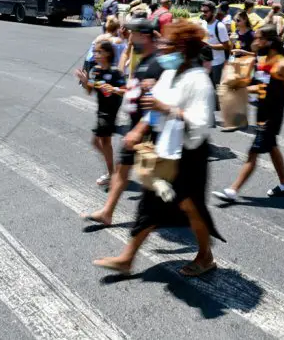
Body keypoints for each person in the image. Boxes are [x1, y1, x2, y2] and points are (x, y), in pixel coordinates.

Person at [93, 21, 224, 276]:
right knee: (150, 204)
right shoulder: (169, 74)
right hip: (165, 149)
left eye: (170, 45)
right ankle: (127, 259)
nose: (163, 49)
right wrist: (138, 131)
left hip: (189, 155)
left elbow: (199, 122)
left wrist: (166, 109)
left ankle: (205, 256)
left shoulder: (199, 80)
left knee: (191, 206)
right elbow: (154, 106)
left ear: (183, 49)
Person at [81, 18, 164, 226]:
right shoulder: (144, 60)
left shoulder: (155, 64)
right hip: (136, 128)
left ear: (144, 36)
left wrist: (139, 129)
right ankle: (108, 212)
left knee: (158, 179)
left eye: (132, 34)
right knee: (122, 169)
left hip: (148, 130)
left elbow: (159, 103)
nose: (128, 38)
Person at [213, 26, 284, 202]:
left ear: (269, 40)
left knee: (253, 152)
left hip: (272, 116)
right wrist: (240, 86)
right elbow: (260, 87)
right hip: (261, 113)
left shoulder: (283, 65)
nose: (256, 42)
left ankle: (233, 190)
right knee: (272, 148)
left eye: (259, 38)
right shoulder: (262, 61)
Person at [76, 40, 126, 187]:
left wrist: (114, 89)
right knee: (100, 143)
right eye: (95, 52)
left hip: (109, 112)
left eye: (99, 52)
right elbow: (90, 90)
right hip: (101, 111)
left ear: (108, 53)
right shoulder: (96, 71)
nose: (96, 55)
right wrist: (85, 81)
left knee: (103, 142)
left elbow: (125, 90)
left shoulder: (115, 72)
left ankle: (112, 174)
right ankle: (113, 171)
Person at [201, 0, 231, 97]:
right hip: (206, 62)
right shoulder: (203, 24)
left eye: (206, 11)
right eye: (202, 11)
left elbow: (226, 46)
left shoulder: (220, 26)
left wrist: (209, 46)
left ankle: (222, 108)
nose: (203, 13)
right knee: (207, 90)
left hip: (217, 64)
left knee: (219, 91)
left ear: (213, 12)